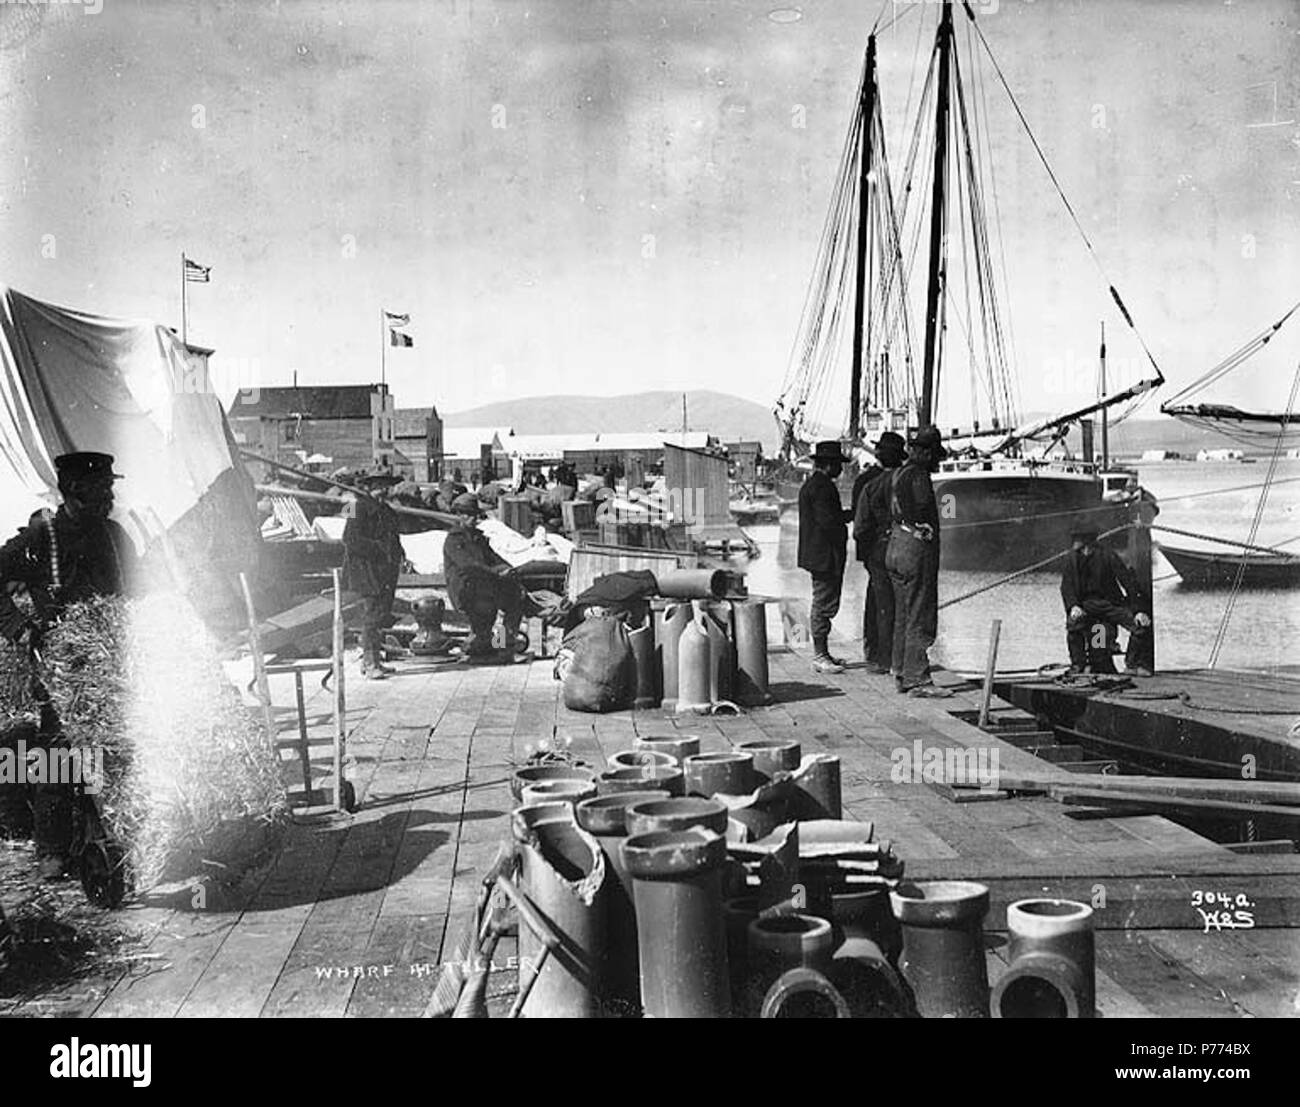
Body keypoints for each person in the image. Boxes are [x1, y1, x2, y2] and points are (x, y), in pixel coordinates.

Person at [0, 451, 138, 878]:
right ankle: (53, 850)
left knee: (117, 752)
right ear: (75, 489)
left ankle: (122, 835)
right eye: (102, 488)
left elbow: (141, 588)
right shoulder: (42, 537)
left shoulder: (115, 535)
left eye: (109, 487)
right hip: (60, 668)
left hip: (114, 663)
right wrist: (21, 629)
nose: (110, 496)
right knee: (56, 754)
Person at [886, 426, 948, 696]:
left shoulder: (898, 473)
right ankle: (918, 679)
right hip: (914, 550)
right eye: (936, 456)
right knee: (920, 614)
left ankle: (900, 671)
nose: (937, 462)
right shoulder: (920, 476)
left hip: (895, 546)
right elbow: (921, 509)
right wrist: (924, 528)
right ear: (927, 453)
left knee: (902, 614)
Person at [442, 495, 527, 661]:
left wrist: (509, 569)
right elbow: (468, 565)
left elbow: (493, 557)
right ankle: (486, 642)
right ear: (459, 515)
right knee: (487, 606)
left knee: (514, 598)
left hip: (483, 586)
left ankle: (502, 643)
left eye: (475, 515)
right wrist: (496, 573)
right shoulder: (454, 540)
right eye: (468, 514)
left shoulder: (478, 538)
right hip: (465, 590)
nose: (473, 519)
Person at [1062, 524, 1152, 676]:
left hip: (1110, 604)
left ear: (1086, 541)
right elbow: (1066, 587)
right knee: (1073, 625)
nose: (1074, 542)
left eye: (1077, 538)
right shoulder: (1072, 559)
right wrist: (1073, 606)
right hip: (1086, 605)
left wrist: (1138, 611)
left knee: (1139, 626)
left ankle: (1131, 665)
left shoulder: (1108, 555)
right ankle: (1078, 665)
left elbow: (1128, 582)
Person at [342, 472, 405, 680]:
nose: (383, 490)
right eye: (379, 486)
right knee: (371, 616)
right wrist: (378, 548)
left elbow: (394, 537)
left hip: (385, 570)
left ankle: (374, 660)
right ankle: (370, 663)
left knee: (380, 615)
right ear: (368, 488)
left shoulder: (387, 511)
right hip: (366, 570)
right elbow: (349, 539)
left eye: (387, 486)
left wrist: (400, 553)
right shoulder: (355, 507)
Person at [798, 439, 853, 674]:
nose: (840, 469)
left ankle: (824, 653)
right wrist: (849, 517)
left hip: (817, 554)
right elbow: (828, 521)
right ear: (829, 464)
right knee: (823, 604)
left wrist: (844, 516)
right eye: (838, 464)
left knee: (823, 602)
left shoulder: (812, 484)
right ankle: (820, 656)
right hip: (825, 556)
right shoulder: (823, 487)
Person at [853, 432, 906, 674]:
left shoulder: (867, 482)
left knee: (878, 603)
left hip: (876, 551)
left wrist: (868, 552)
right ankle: (898, 657)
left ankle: (877, 655)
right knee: (900, 604)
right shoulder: (907, 481)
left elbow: (860, 527)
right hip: (903, 550)